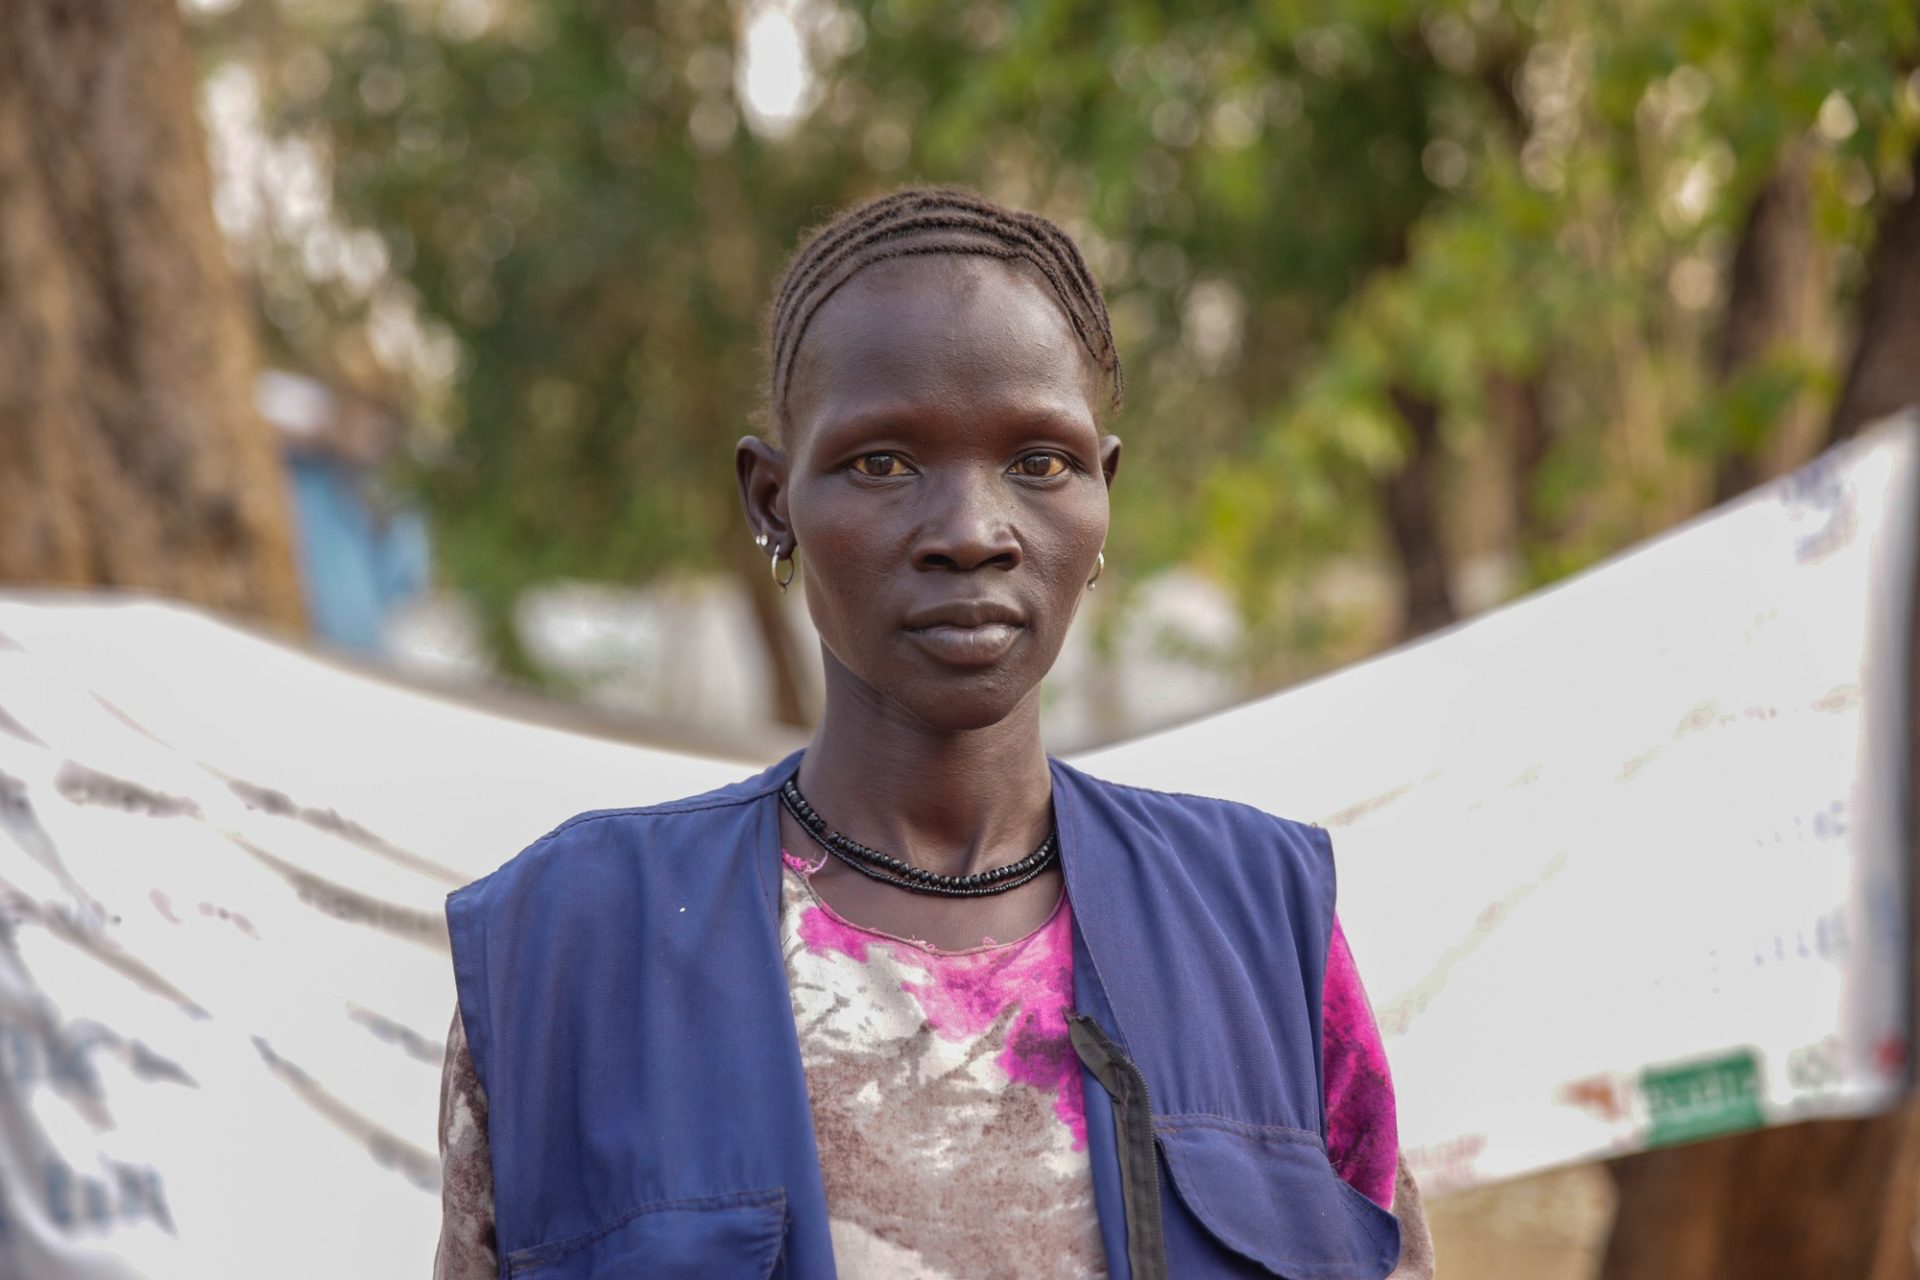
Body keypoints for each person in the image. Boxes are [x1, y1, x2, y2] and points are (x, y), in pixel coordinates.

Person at [434, 187, 1436, 1279]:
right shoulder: (576, 942)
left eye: (1038, 462)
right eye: (882, 463)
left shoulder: (1261, 922)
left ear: (1105, 493)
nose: (970, 532)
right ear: (772, 498)